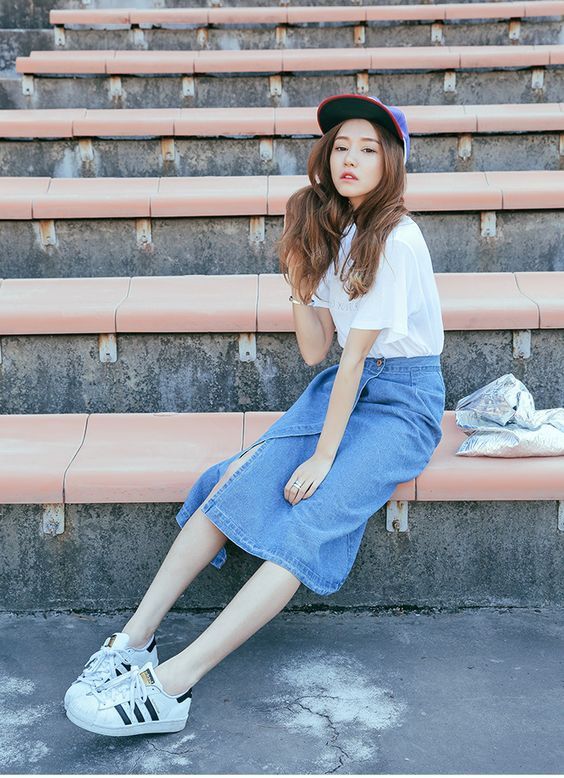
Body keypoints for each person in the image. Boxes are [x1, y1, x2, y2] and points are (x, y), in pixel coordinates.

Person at [64, 93, 445, 737]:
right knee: (232, 479)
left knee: (309, 519)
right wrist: (299, 275)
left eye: (368, 148)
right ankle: (132, 642)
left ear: (392, 162)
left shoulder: (398, 240)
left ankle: (171, 686)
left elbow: (354, 360)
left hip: (402, 405)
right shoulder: (342, 230)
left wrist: (323, 457)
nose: (350, 159)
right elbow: (316, 350)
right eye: (341, 146)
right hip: (343, 388)